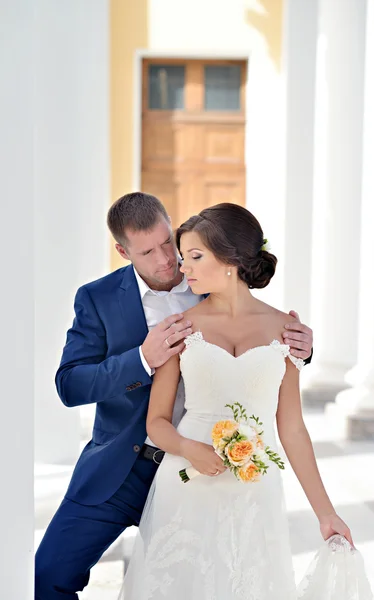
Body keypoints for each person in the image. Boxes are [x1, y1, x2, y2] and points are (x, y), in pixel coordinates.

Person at [34, 193, 314, 600]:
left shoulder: (211, 276)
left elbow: (259, 336)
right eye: (147, 251)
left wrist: (302, 348)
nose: (167, 259)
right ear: (122, 251)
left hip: (203, 470)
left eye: (168, 241)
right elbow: (70, 385)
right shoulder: (96, 298)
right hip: (120, 472)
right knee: (48, 575)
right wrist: (141, 359)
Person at [118, 202, 352, 600]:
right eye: (183, 257)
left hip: (255, 489)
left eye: (194, 257)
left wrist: (325, 512)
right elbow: (156, 421)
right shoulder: (180, 327)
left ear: (229, 260)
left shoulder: (286, 331)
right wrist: (191, 449)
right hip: (186, 483)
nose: (183, 268)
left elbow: (292, 429)